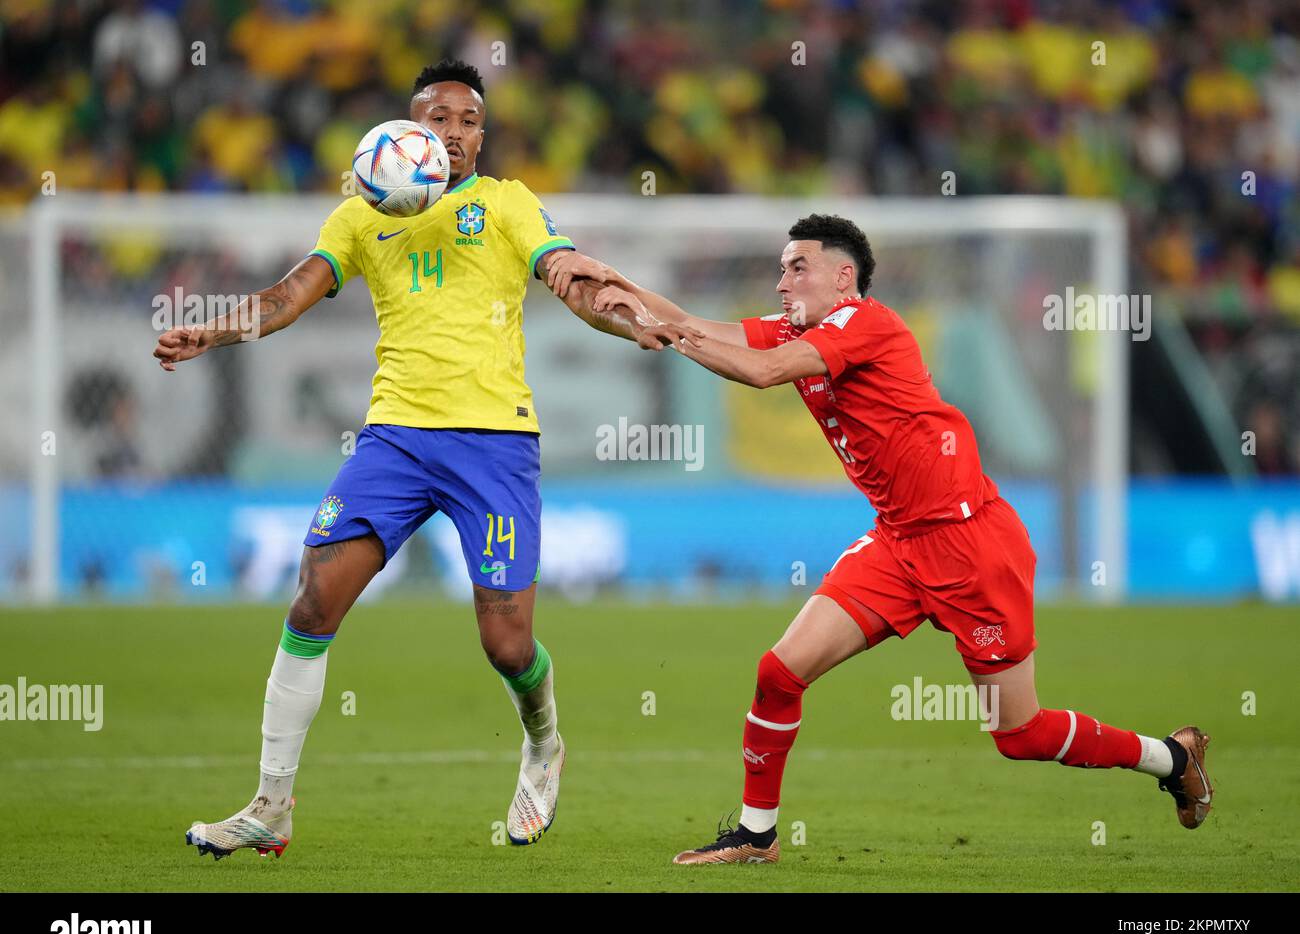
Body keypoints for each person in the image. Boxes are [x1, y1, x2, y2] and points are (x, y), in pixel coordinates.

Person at [154, 59, 679, 858]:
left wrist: (619, 312)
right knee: (311, 604)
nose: (457, 133)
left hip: (494, 443)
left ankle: (543, 742)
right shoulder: (361, 217)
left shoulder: (506, 203)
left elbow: (566, 276)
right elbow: (288, 295)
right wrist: (212, 328)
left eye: (471, 120)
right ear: (407, 127)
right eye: (440, 117)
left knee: (506, 643)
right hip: (394, 439)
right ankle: (271, 804)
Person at [583, 213, 1214, 864]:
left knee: (1019, 732)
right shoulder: (802, 327)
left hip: (971, 546)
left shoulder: (864, 323)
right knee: (779, 671)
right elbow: (694, 323)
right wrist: (619, 286)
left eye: (796, 267)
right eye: (779, 268)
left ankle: (1169, 757)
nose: (780, 282)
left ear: (843, 276)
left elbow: (763, 371)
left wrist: (666, 334)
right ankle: (756, 833)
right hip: (898, 543)